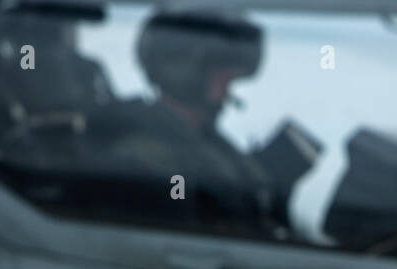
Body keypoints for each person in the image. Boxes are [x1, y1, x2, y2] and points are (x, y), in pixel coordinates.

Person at [89, 8, 283, 238]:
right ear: (184, 71)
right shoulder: (142, 157)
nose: (232, 77)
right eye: (221, 69)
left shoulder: (204, 140)